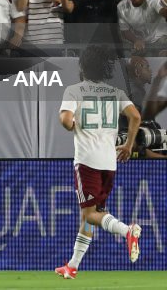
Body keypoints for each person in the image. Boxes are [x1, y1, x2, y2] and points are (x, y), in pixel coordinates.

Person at [55, 46, 142, 279]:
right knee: (91, 216)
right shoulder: (116, 92)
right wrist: (128, 145)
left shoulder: (74, 90)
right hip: (109, 163)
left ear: (83, 66)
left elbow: (65, 120)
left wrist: (71, 124)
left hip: (86, 161)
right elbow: (135, 116)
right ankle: (72, 266)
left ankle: (127, 231)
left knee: (91, 214)